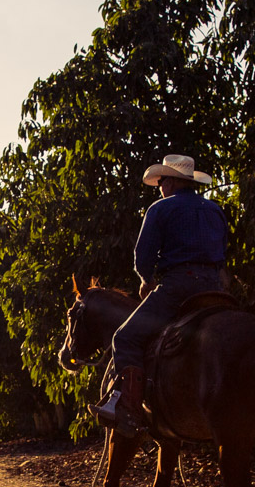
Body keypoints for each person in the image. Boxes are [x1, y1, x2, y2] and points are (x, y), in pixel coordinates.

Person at [93, 153, 227, 436]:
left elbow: (143, 257)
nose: (159, 187)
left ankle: (128, 410)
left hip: (179, 285)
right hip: (214, 287)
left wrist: (147, 280)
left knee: (124, 337)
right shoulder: (215, 210)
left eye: (161, 181)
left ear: (172, 181)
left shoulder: (161, 208)